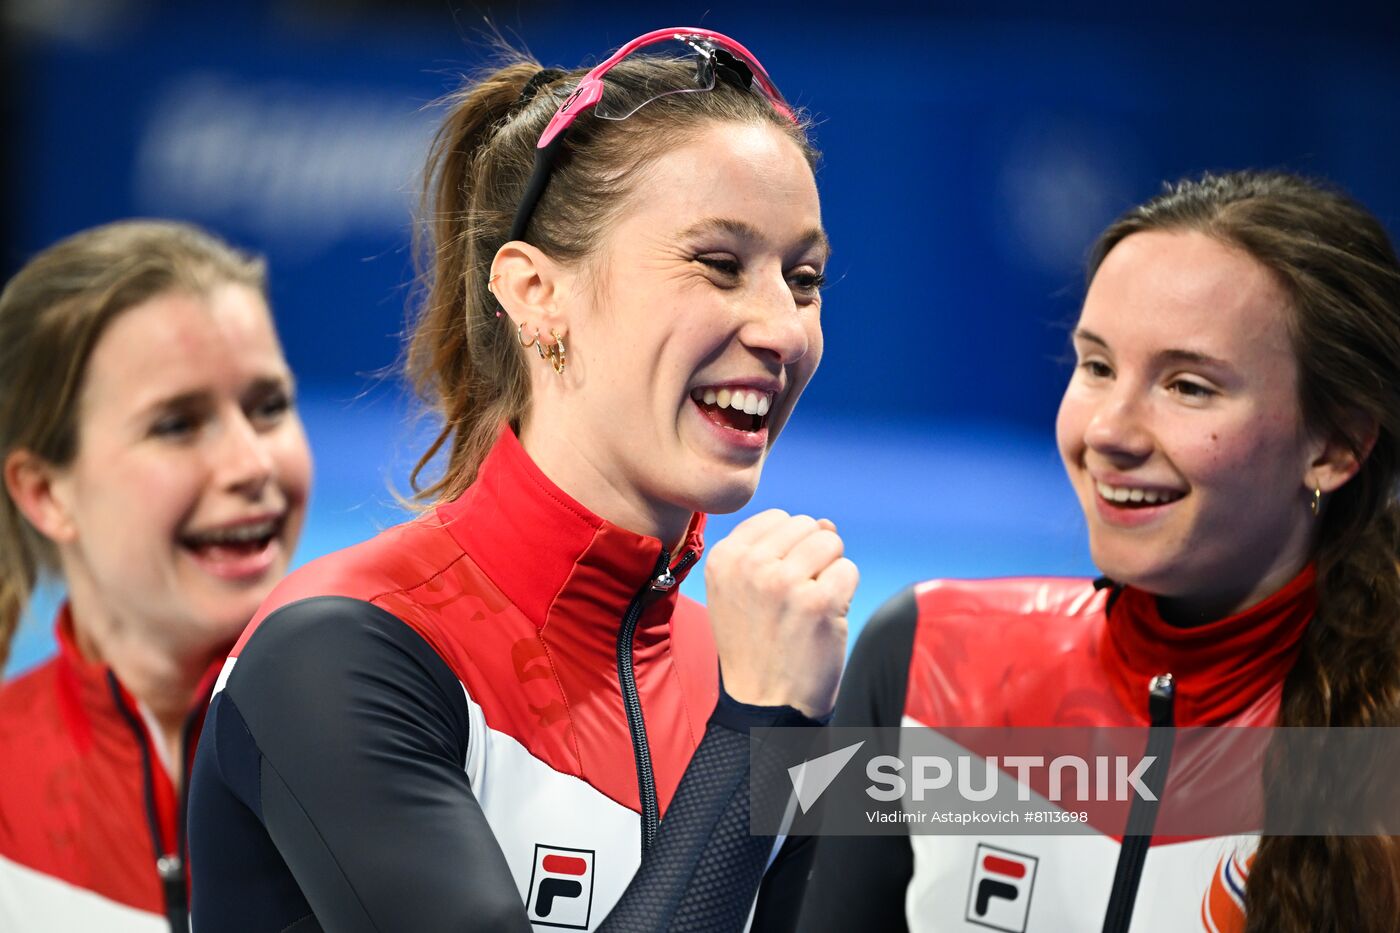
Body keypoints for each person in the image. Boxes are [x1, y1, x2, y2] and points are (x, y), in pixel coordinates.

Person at [188, 27, 855, 933]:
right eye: (719, 264)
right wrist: (755, 733)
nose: (784, 330)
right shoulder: (333, 655)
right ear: (537, 292)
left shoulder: (761, 676)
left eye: (804, 278)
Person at [796, 171, 1400, 933]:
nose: (1109, 431)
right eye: (1098, 366)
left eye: (1188, 386)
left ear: (1338, 443)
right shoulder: (917, 655)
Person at [0, 219, 313, 932]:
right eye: (177, 424)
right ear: (47, 492)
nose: (252, 464)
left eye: (268, 407)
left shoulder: (417, 729)